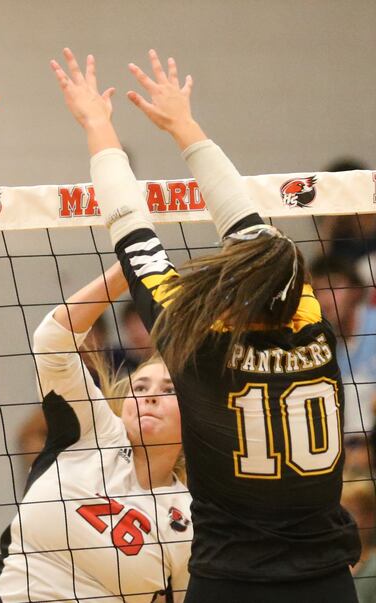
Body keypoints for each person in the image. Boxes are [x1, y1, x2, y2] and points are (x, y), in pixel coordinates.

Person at [51, 47, 359, 602]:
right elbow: (244, 223)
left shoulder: (199, 347)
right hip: (326, 582)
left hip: (230, 582)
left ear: (228, 300)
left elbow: (129, 226)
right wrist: (185, 125)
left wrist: (99, 125)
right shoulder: (313, 328)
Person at [0, 261, 191, 602]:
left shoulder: (190, 516)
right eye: (141, 387)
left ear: (194, 414)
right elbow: (52, 342)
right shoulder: (94, 431)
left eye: (169, 390)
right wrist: (127, 271)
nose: (150, 397)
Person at [310, 254, 376, 434]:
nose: (325, 299)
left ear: (356, 291)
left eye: (334, 286)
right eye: (318, 290)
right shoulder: (319, 347)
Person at [341, 480, 376, 601]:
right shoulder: (327, 563)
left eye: (350, 512)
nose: (342, 522)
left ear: (370, 518)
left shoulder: (373, 567)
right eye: (338, 513)